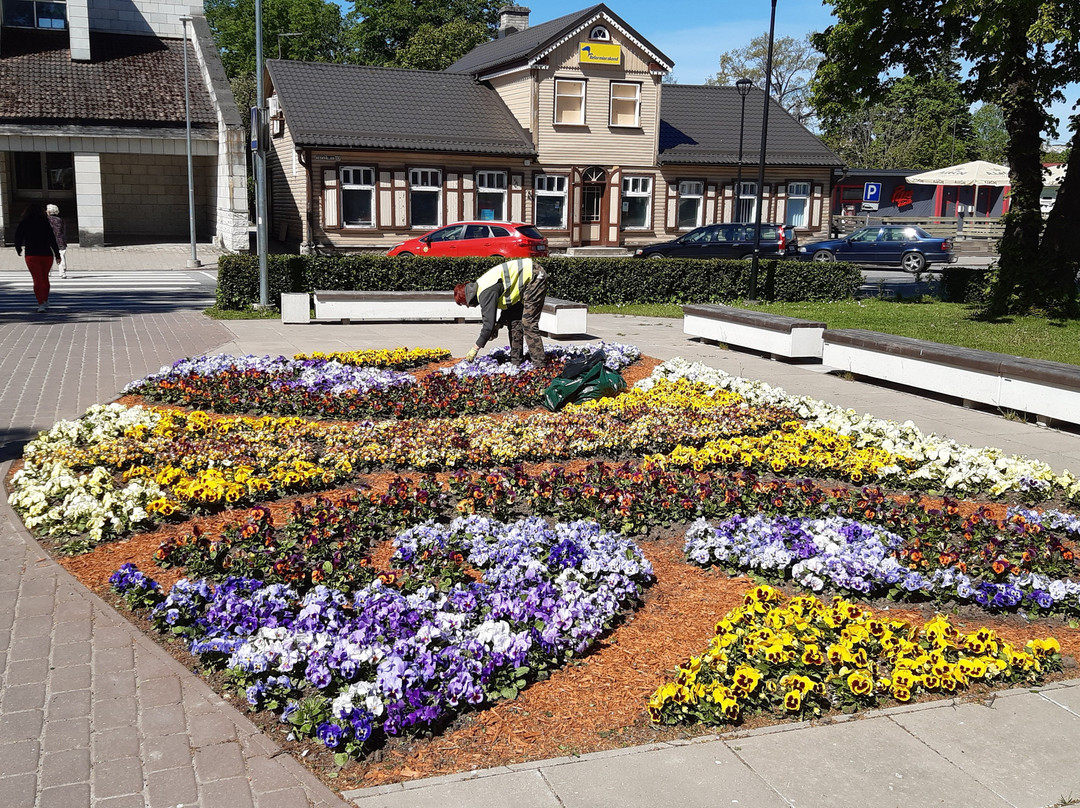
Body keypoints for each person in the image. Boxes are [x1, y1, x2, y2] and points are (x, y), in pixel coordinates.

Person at [454, 257, 548, 365]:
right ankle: (516, 362)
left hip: (534, 275)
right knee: (515, 322)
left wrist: (475, 348)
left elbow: (488, 325)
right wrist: (498, 326)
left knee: (528, 323)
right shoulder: (480, 288)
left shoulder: (484, 293)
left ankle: (540, 365)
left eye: (462, 303)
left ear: (466, 298)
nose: (467, 307)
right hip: (527, 279)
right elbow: (507, 311)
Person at [14, 202, 61, 313]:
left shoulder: (24, 222)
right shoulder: (45, 222)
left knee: (37, 279)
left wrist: (18, 248)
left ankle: (40, 303)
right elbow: (52, 239)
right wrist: (57, 255)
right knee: (45, 277)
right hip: (46, 254)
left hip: (31, 254)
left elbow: (18, 236)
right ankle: (45, 299)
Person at [46, 204, 68, 278]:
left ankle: (48, 272)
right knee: (61, 255)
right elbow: (63, 231)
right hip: (59, 240)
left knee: (48, 256)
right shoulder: (60, 220)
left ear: (48, 211)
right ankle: (62, 273)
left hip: (48, 240)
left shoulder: (44, 219)